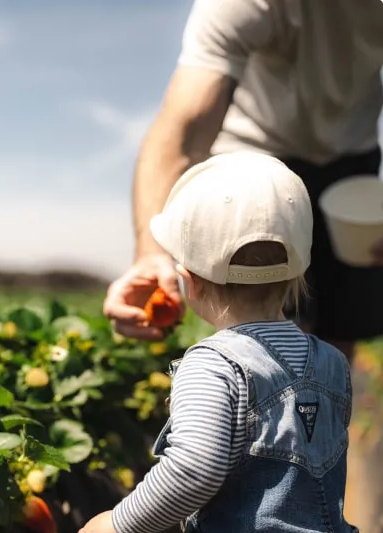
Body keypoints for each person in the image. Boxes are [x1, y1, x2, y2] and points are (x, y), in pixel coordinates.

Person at [68, 151, 372, 533]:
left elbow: (195, 470)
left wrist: (118, 522)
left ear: (186, 277)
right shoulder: (331, 364)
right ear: (302, 267)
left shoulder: (215, 365)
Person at [104, 0, 383, 362]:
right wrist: (150, 255)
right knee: (245, 318)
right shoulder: (243, 4)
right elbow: (183, 135)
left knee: (341, 326)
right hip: (252, 158)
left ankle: (324, 409)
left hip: (351, 154)